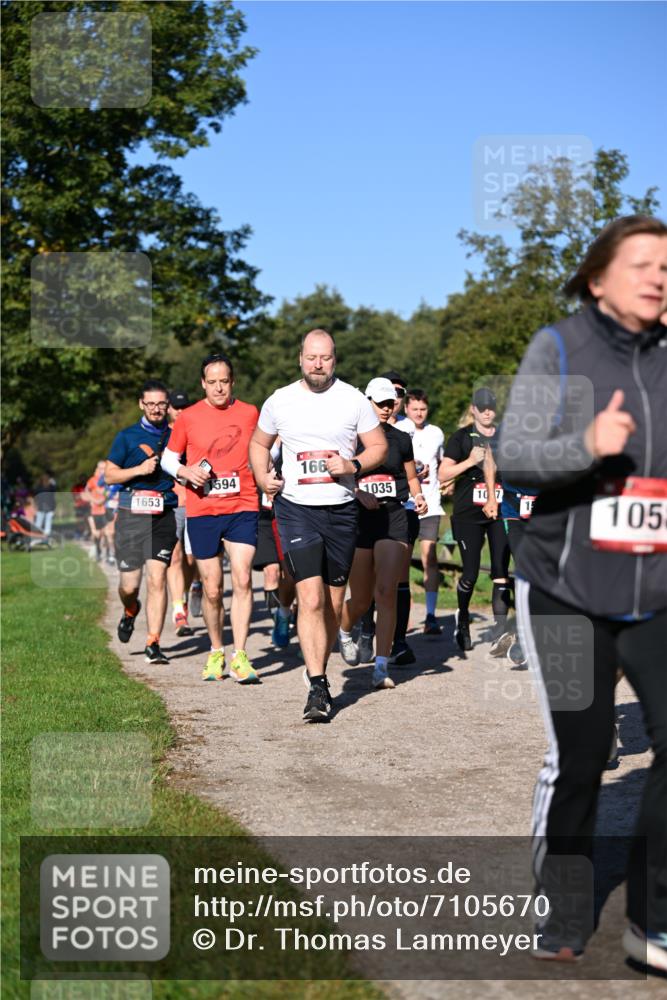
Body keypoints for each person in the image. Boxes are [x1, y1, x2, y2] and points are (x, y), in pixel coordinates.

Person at [497, 215, 667, 969]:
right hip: (562, 588)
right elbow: (512, 458)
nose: (657, 276)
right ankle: (564, 909)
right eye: (640, 263)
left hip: (654, 590)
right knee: (585, 753)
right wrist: (584, 447)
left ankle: (651, 919)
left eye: (666, 265)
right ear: (597, 278)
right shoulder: (558, 346)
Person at [249, 329, 387, 722]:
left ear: (334, 360)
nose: (317, 365)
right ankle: (318, 685)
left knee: (332, 603)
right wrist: (263, 478)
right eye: (311, 357)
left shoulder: (354, 400)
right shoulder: (281, 400)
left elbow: (378, 447)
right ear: (300, 358)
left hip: (341, 511)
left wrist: (353, 465)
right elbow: (259, 444)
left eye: (325, 358)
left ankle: (320, 670)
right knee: (309, 598)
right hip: (297, 509)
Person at [161, 354, 260, 684]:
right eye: (212, 382)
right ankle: (217, 650)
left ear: (233, 382)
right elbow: (168, 458)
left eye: (224, 381)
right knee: (214, 590)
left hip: (242, 505)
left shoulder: (249, 413)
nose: (219, 387)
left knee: (243, 578)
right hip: (202, 510)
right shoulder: (188, 417)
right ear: (203, 383)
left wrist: (269, 476)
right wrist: (184, 471)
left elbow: (265, 449)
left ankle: (240, 655)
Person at [338, 378, 428, 689]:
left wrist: (417, 496)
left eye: (390, 403)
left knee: (387, 591)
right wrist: (357, 492)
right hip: (361, 518)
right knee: (361, 599)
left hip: (393, 516)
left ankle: (381, 665)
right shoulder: (351, 438)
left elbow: (410, 475)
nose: (386, 409)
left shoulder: (402, 439)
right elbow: (337, 474)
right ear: (367, 402)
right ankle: (345, 630)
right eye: (380, 403)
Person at [105, 380, 178, 664]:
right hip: (130, 516)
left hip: (163, 514)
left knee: (157, 578)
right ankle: (130, 609)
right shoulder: (126, 437)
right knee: (129, 586)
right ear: (141, 404)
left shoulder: (176, 436)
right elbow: (110, 476)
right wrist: (138, 469)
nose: (157, 409)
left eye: (161, 404)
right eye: (151, 404)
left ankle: (153, 642)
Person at [439, 388, 511, 652]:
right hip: (468, 514)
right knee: (469, 573)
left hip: (499, 511)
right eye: (482, 407)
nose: (487, 411)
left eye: (491, 406)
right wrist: (469, 461)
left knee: (501, 572)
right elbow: (443, 473)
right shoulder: (461, 437)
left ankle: (501, 634)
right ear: (473, 409)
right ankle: (463, 618)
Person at [401, 389, 446, 634]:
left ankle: (430, 615)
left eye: (423, 409)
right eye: (415, 408)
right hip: (405, 503)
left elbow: (442, 462)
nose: (419, 413)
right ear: (406, 408)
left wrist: (446, 481)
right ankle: (404, 615)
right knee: (403, 561)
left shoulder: (436, 433)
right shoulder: (399, 431)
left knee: (429, 557)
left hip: (431, 502)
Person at [165, 390, 197, 637]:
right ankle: (179, 611)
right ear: (169, 409)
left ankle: (187, 591)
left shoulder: (196, 430)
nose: (180, 411)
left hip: (196, 501)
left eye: (184, 406)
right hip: (172, 503)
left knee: (191, 559)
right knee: (174, 557)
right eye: (176, 407)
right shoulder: (164, 435)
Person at [84, 461, 111, 562]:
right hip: (95, 511)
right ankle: (98, 551)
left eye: (104, 468)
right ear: (97, 468)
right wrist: (92, 500)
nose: (102, 470)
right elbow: (86, 491)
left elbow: (111, 493)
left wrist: (103, 499)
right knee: (97, 534)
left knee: (107, 534)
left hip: (106, 510)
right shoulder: (92, 480)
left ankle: (109, 555)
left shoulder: (110, 479)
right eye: (100, 468)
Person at [33, 470, 56, 537]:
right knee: (45, 521)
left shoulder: (41, 487)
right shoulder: (50, 486)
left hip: (45, 506)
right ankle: (43, 534)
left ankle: (38, 534)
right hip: (46, 506)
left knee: (41, 521)